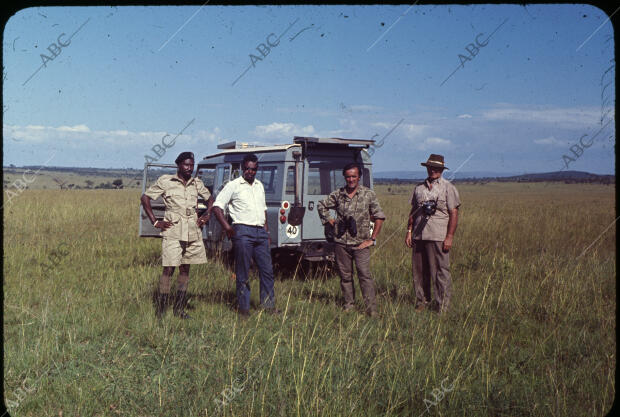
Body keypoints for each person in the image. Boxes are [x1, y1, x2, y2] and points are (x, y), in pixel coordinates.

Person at [140, 151, 214, 319]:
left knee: (185, 268)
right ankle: (161, 310)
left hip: (192, 230)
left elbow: (210, 199)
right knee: (168, 268)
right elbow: (145, 198)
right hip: (173, 230)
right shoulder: (166, 181)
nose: (189, 168)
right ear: (179, 165)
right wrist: (155, 221)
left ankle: (179, 309)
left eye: (191, 165)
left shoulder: (197, 183)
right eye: (186, 165)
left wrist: (207, 215)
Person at [212, 153, 278, 318]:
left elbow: (263, 210)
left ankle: (269, 307)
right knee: (243, 271)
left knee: (267, 270)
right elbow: (217, 207)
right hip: (242, 231)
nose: (250, 172)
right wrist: (227, 228)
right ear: (242, 168)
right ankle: (243, 309)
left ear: (257, 169)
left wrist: (266, 231)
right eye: (248, 169)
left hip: (260, 232)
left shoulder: (259, 186)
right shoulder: (233, 185)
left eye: (254, 169)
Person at [317, 162, 386, 316]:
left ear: (359, 177)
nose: (351, 179)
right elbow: (321, 205)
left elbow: (380, 216)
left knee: (365, 276)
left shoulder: (368, 194)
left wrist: (372, 238)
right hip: (341, 243)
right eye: (348, 177)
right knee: (345, 277)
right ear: (344, 177)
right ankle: (349, 306)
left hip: (361, 244)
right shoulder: (338, 194)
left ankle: (371, 310)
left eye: (354, 176)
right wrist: (330, 220)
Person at [405, 154, 460, 314]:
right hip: (418, 236)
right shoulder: (419, 188)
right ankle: (422, 302)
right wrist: (409, 231)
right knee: (419, 271)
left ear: (442, 170)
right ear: (427, 168)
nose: (433, 170)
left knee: (440, 272)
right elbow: (413, 212)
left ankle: (443, 307)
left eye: (437, 168)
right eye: (430, 167)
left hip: (438, 236)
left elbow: (454, 213)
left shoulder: (448, 187)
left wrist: (449, 237)